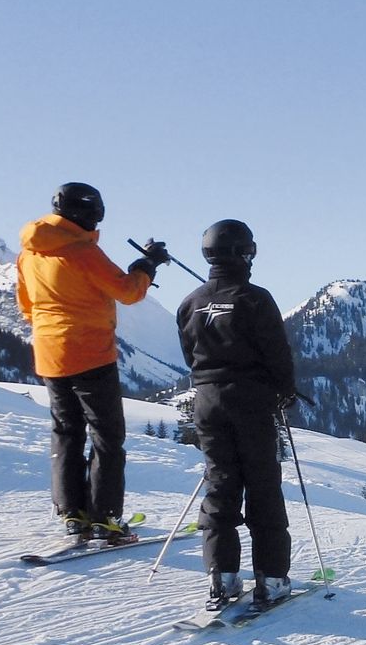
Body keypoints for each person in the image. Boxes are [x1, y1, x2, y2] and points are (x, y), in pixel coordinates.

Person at [16, 182, 166, 543]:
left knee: (66, 432)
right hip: (90, 353)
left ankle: (72, 513)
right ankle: (105, 517)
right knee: (107, 436)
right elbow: (128, 291)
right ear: (89, 213)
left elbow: (26, 307)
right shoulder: (82, 251)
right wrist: (147, 265)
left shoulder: (29, 253)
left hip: (49, 355)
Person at [175, 219, 298, 609]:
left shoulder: (190, 303)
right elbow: (277, 353)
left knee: (220, 482)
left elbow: (189, 355)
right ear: (245, 253)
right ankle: (271, 578)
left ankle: (222, 576)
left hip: (207, 402)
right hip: (250, 401)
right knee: (262, 486)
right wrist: (284, 390)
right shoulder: (255, 299)